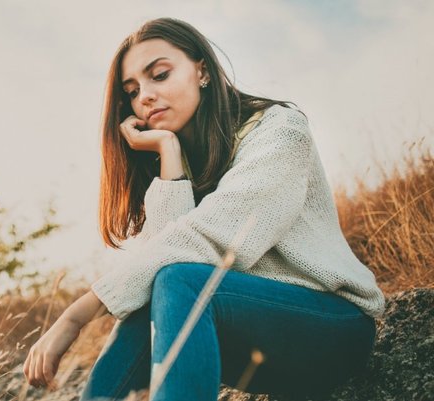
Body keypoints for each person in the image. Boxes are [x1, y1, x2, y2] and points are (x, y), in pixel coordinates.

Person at [22, 17, 385, 400]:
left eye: (159, 75)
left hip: (334, 330)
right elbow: (160, 267)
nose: (144, 96)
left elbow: (214, 239)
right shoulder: (184, 161)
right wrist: (168, 152)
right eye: (132, 91)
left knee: (181, 279)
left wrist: (76, 315)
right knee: (161, 289)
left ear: (203, 71)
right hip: (257, 343)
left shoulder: (281, 131)